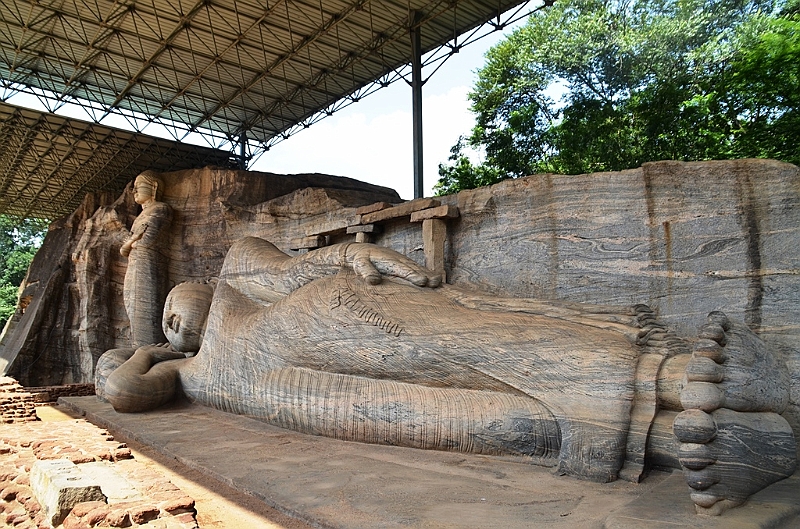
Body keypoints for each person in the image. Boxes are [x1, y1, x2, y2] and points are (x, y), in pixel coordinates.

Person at [96, 237, 796, 515]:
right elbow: (125, 392)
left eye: (171, 312)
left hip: (320, 320)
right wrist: (153, 355)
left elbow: (298, 266)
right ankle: (681, 438)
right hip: (300, 394)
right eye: (161, 328)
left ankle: (676, 371)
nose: (169, 325)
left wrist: (360, 255)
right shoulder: (186, 372)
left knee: (475, 347)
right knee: (477, 421)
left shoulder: (235, 279)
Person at [120, 171, 172, 347]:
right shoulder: (140, 217)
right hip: (133, 262)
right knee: (131, 306)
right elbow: (124, 249)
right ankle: (137, 347)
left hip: (148, 262)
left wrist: (133, 242)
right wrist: (134, 240)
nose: (134, 190)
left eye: (139, 185)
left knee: (146, 306)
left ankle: (150, 348)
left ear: (154, 187)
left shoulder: (161, 209)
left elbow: (147, 241)